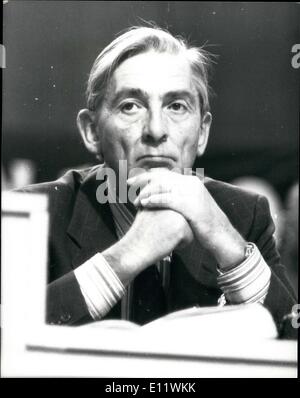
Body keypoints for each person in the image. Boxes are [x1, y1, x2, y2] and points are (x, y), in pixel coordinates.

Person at [19, 26, 296, 334]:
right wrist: (130, 255)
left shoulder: (244, 215)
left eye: (176, 106)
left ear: (202, 132)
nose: (155, 129)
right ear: (91, 132)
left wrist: (226, 243)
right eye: (131, 106)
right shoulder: (34, 214)